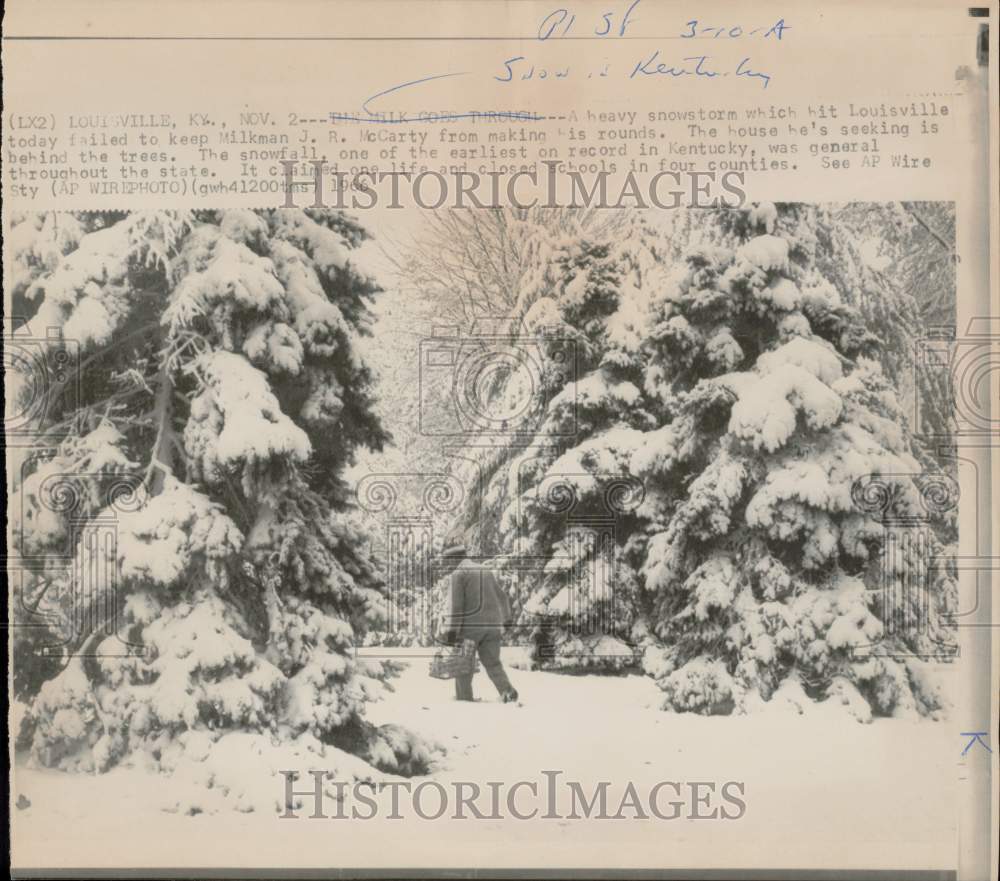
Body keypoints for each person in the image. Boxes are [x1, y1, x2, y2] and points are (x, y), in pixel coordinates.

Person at [438, 531, 518, 703]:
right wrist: (507, 619)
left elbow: (457, 607)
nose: (447, 565)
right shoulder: (484, 570)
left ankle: (464, 699)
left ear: (454, 558)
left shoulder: (459, 574)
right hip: (493, 627)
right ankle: (508, 692)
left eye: (448, 561)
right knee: (493, 663)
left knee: (463, 664)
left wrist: (452, 632)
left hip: (470, 630)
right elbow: (502, 596)